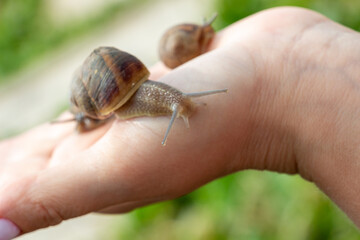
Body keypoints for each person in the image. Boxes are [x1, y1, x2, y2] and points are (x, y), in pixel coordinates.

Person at [1, 6, 360, 239]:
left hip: (120, 98)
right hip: (108, 102)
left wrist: (280, 72)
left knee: (166, 98)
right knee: (160, 98)